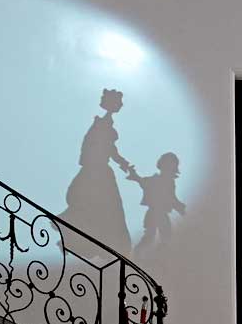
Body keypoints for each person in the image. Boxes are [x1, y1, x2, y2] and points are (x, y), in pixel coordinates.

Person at [60, 88, 132, 255]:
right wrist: (122, 162)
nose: (120, 105)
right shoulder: (102, 124)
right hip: (96, 168)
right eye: (118, 102)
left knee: (99, 204)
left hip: (97, 168)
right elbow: (107, 148)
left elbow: (109, 148)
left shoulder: (104, 124)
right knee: (95, 202)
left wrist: (122, 163)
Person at [127, 152, 186, 256]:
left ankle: (156, 254)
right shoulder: (158, 181)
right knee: (152, 236)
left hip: (160, 213)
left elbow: (172, 198)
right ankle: (139, 253)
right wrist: (180, 207)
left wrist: (180, 206)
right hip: (155, 213)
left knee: (162, 236)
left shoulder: (167, 182)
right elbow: (143, 182)